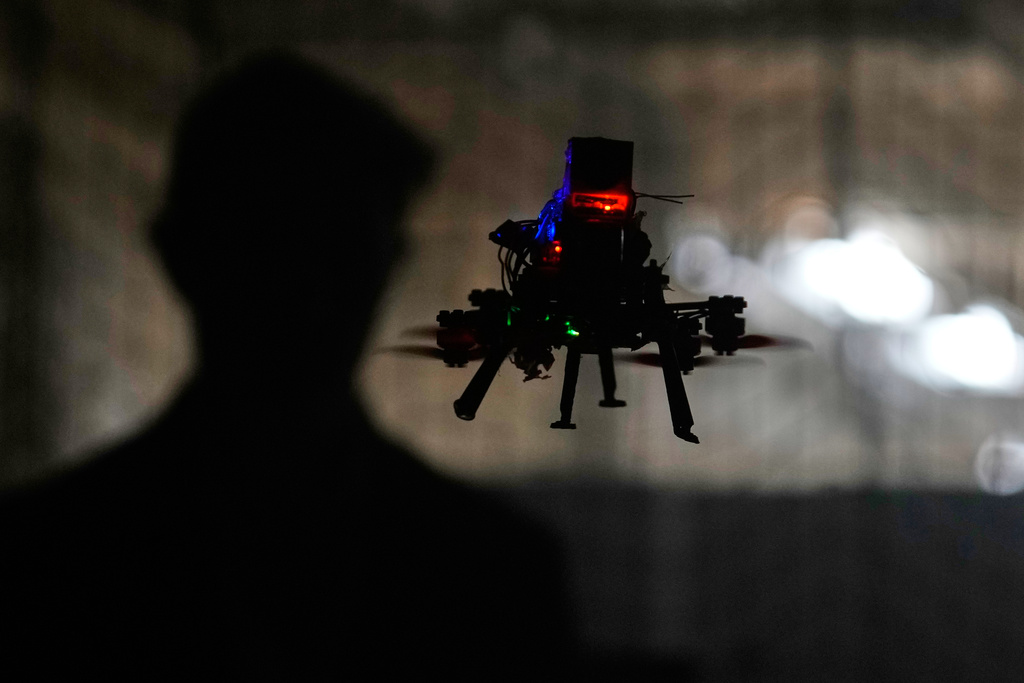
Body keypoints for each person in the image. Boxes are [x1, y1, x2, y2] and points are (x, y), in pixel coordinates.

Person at [0, 52, 570, 677]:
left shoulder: (47, 555)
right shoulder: (492, 570)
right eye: (266, 244)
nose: (305, 291)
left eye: (338, 248)